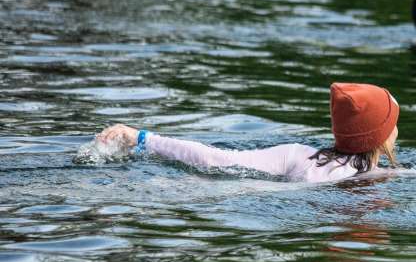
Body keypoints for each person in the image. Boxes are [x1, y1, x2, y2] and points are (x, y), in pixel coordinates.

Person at [96, 83, 399, 183]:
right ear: (380, 137)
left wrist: (145, 139)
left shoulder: (295, 154)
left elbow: (217, 159)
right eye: (393, 122)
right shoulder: (380, 179)